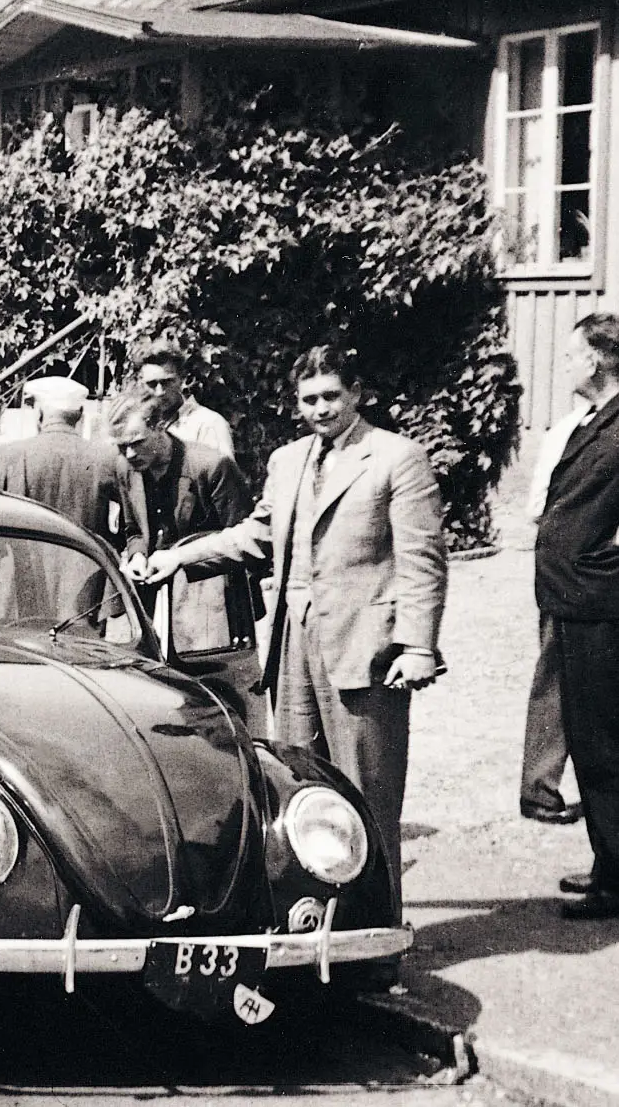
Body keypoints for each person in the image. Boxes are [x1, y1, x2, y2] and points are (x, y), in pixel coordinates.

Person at [140, 346, 446, 930]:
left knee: (368, 798)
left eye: (332, 396)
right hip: (293, 645)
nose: (321, 409)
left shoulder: (396, 458)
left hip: (365, 650)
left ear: (356, 394)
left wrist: (418, 645)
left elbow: (422, 559)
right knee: (299, 787)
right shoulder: (290, 460)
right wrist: (178, 558)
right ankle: (312, 932)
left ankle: (377, 940)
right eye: (309, 400)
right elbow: (258, 533)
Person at [535, 314, 619, 920]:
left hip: (600, 604)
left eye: (572, 355)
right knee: (591, 740)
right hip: (575, 600)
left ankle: (615, 881)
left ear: (595, 361)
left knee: (602, 743)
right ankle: (608, 861)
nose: (566, 365)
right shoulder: (592, 423)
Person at [111, 388, 261, 727]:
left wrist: (181, 560)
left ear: (162, 425)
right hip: (156, 611)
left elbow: (246, 543)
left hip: (215, 618)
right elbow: (133, 529)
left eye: (137, 442)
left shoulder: (212, 466)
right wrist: (136, 555)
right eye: (121, 446)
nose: (129, 454)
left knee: (221, 715)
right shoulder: (125, 469)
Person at [518, 395, 593, 826]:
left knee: (557, 676)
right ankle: (541, 786)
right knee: (559, 674)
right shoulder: (567, 431)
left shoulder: (568, 428)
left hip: (569, 572)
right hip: (580, 578)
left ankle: (540, 786)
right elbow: (538, 507)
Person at [0, 376, 125, 545]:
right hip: (89, 564)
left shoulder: (9, 454)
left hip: (27, 565)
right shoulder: (107, 456)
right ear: (80, 416)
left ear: (39, 414)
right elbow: (134, 518)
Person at [138, 342, 235, 458]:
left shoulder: (209, 424)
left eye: (167, 382)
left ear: (182, 378)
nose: (160, 392)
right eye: (152, 384)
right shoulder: (138, 424)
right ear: (141, 383)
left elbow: (223, 474)